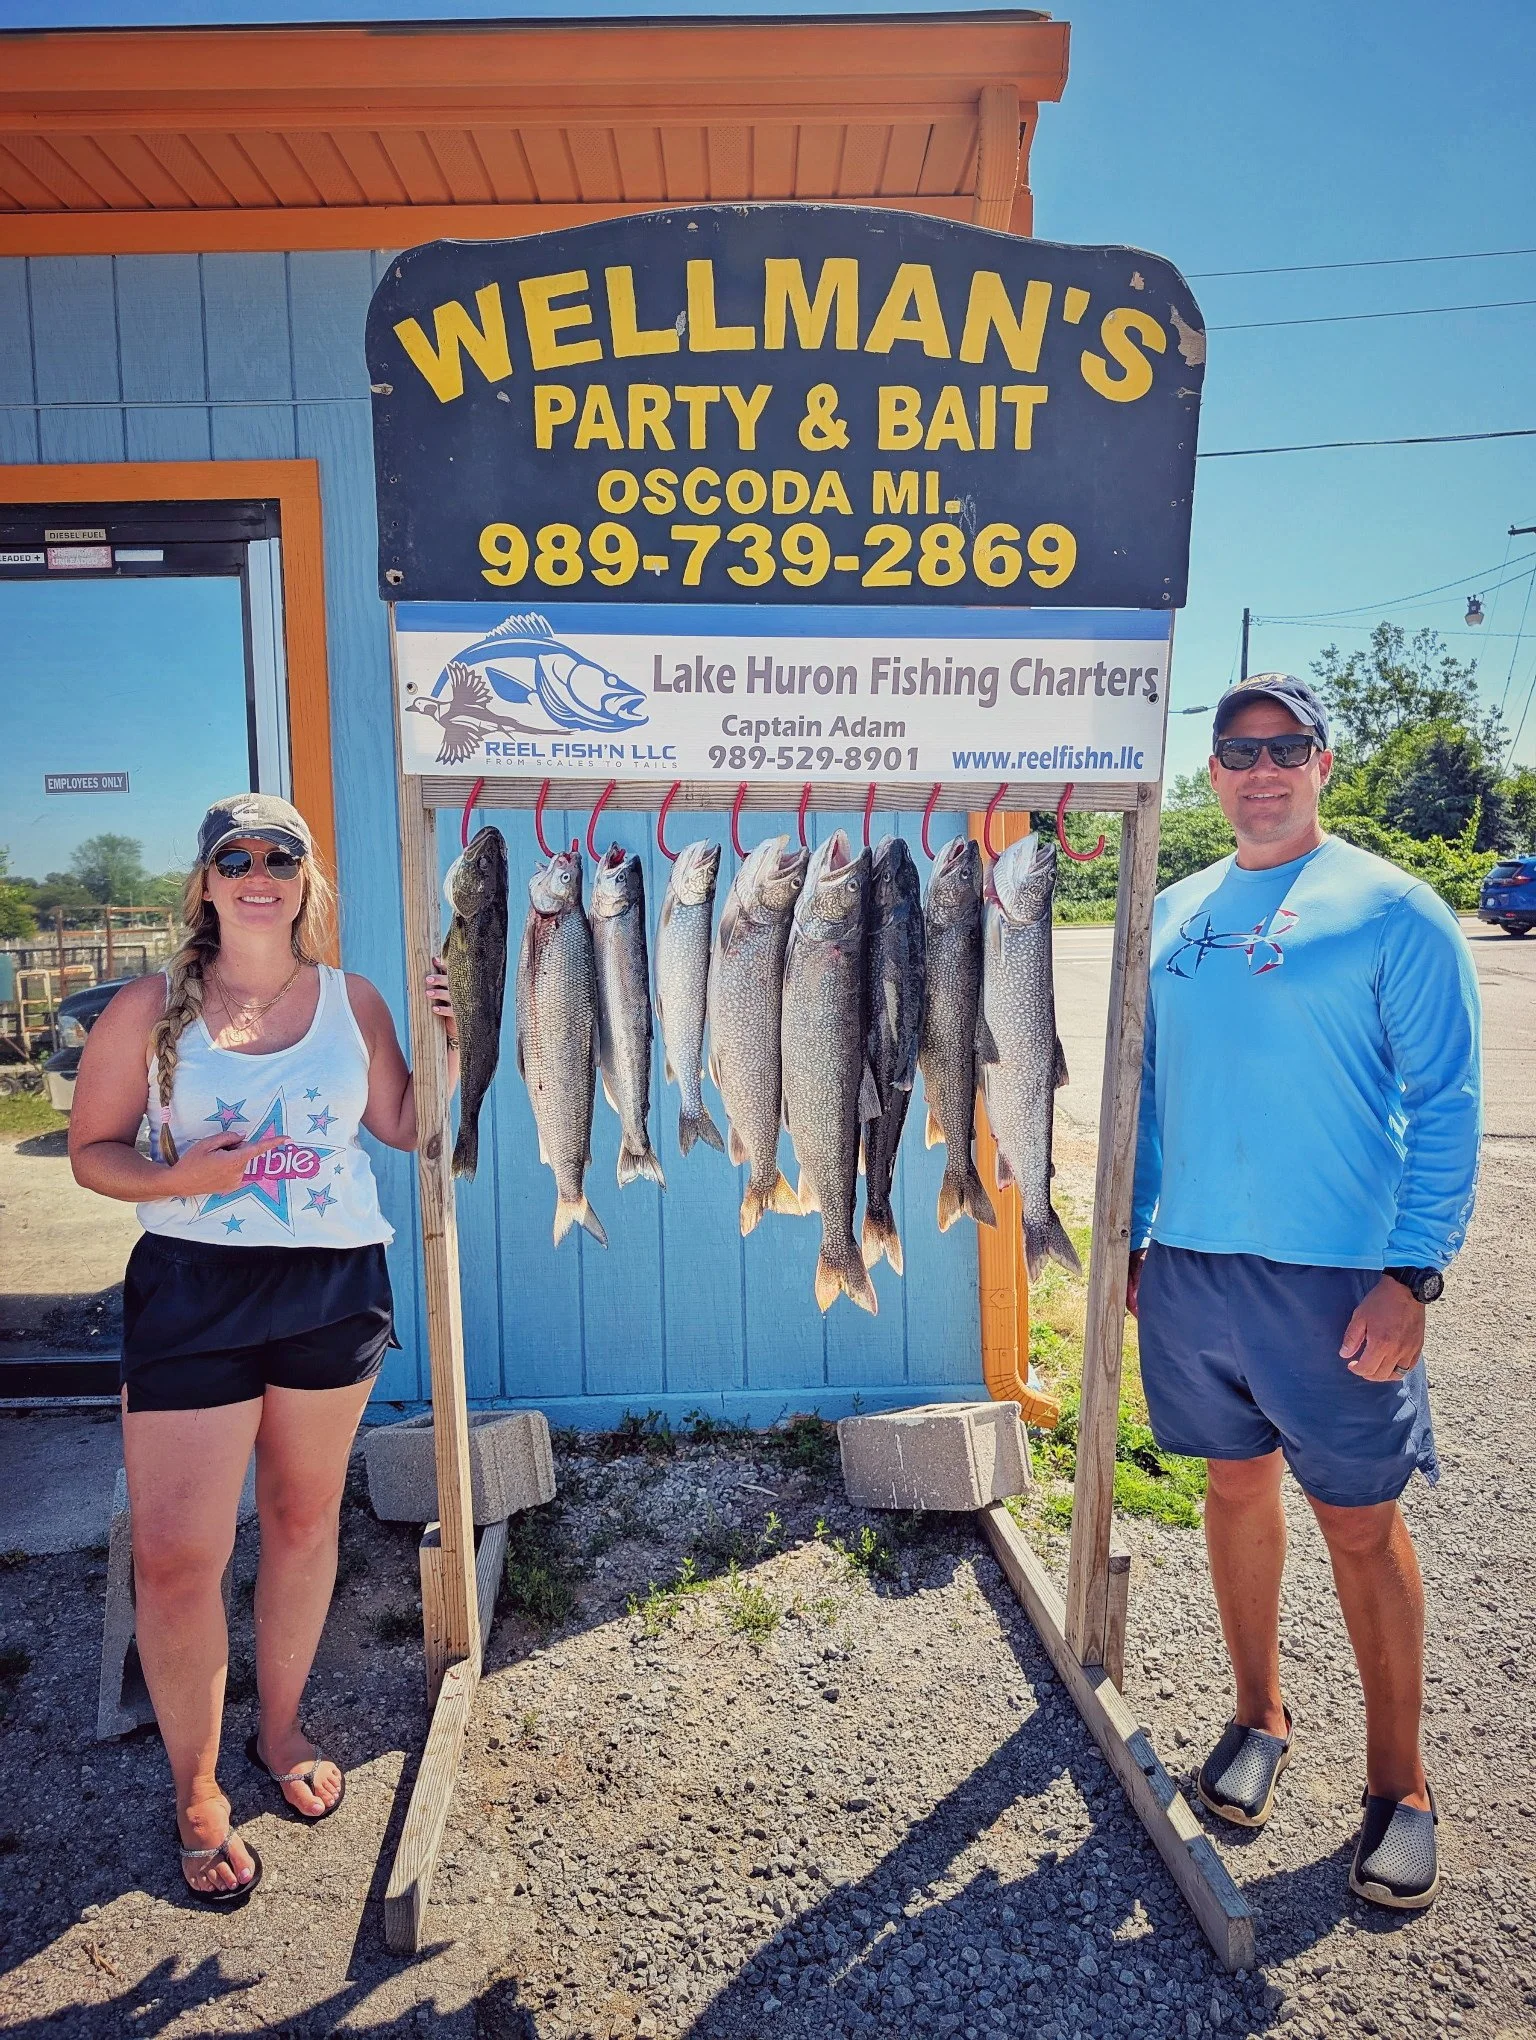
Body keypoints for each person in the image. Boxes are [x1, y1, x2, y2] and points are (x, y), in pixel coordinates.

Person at [1129, 674, 1481, 1913]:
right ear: (1212, 771)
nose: (1261, 769)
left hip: (1339, 1278)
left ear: (1324, 763)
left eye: (1286, 747)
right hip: (1192, 1270)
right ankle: (1258, 1715)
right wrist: (1132, 1238)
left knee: (1360, 1523)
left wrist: (1413, 1273)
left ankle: (1402, 1787)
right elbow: (1150, 1100)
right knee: (1234, 1487)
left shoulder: (1395, 910)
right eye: (1238, 750)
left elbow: (1446, 1104)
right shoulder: (1170, 912)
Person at [70, 794, 457, 1905]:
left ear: (304, 882)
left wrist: (457, 1025)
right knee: (178, 1554)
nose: (257, 871)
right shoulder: (147, 1011)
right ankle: (196, 1790)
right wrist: (179, 1179)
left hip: (332, 1286)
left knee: (299, 1517)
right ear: (204, 882)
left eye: (278, 856)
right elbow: (95, 1154)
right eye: (232, 856)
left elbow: (413, 1126)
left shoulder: (352, 1000)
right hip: (193, 1290)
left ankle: (279, 1732)